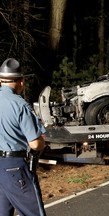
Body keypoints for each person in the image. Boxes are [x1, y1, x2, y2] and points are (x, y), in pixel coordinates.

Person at [0, 58, 47, 216]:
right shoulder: (20, 105)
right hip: (15, 167)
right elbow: (35, 144)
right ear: (21, 81)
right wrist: (42, 143)